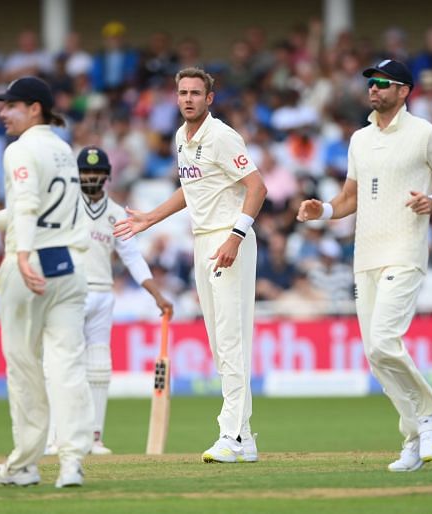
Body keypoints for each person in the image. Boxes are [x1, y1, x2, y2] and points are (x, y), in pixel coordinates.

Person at [297, 59, 432, 472]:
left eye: (382, 83)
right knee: (376, 355)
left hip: (405, 250)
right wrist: (322, 211)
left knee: (384, 341)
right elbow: (350, 198)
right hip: (365, 255)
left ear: (404, 90)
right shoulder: (359, 139)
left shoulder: (426, 133)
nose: (373, 89)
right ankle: (413, 438)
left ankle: (429, 420)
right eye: (371, 83)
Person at [114, 67, 267, 463]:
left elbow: (257, 186)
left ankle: (230, 435)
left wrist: (235, 235)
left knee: (231, 339)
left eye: (196, 93)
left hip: (227, 237)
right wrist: (150, 217)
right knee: (220, 343)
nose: (187, 99)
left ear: (209, 99)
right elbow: (192, 187)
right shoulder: (182, 137)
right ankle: (245, 436)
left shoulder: (221, 136)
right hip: (203, 240)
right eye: (182, 92)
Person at [0, 76, 93, 488]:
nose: (1, 112)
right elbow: (33, 208)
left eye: (10, 106)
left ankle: (26, 465)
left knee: (24, 368)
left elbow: (30, 206)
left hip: (30, 265)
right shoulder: (64, 150)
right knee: (66, 365)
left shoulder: (20, 150)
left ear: (35, 108)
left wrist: (25, 255)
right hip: (69, 263)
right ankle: (71, 462)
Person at [44, 146, 173, 456]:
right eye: (86, 172)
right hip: (69, 292)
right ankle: (56, 437)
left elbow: (132, 257)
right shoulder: (64, 206)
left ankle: (93, 437)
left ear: (106, 177)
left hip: (103, 295)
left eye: (97, 173)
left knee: (99, 367)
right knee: (64, 364)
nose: (91, 177)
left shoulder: (116, 213)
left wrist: (157, 294)